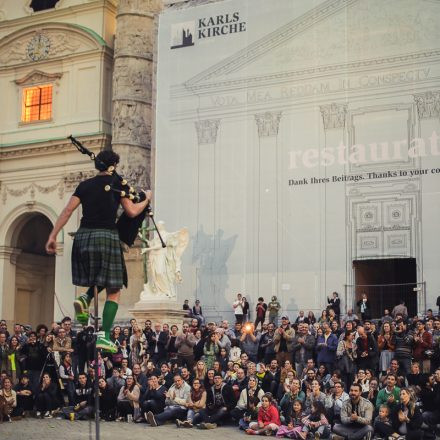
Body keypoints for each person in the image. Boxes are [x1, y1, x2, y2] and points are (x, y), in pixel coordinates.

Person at [45, 149, 152, 352]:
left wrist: (52, 235)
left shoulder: (84, 185)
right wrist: (146, 199)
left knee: (99, 276)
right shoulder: (116, 184)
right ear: (114, 166)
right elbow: (132, 211)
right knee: (114, 288)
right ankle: (105, 335)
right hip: (106, 236)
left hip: (83, 237)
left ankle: (85, 298)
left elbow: (68, 211)